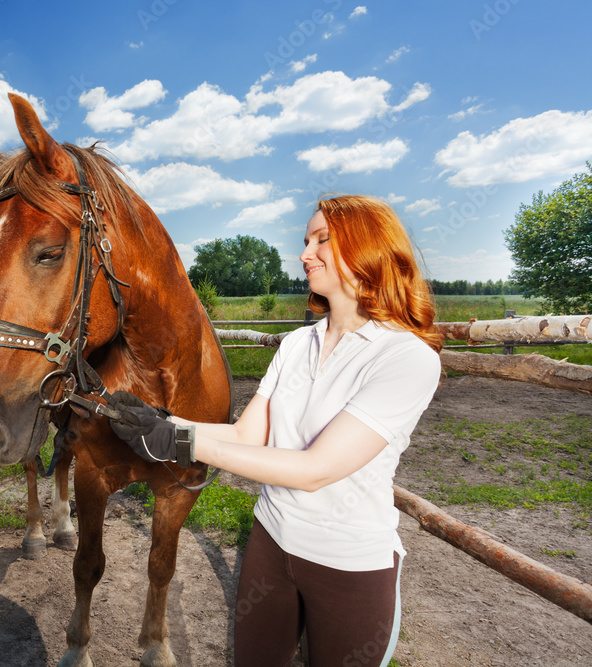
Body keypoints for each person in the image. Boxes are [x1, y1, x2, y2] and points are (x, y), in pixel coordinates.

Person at [110, 195, 443, 666]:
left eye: (322, 239)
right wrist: (158, 420)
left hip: (348, 562)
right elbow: (247, 436)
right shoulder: (296, 344)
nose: (306, 253)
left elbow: (314, 469)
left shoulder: (405, 358)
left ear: (371, 246)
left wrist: (178, 441)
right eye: (306, 241)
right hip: (271, 542)